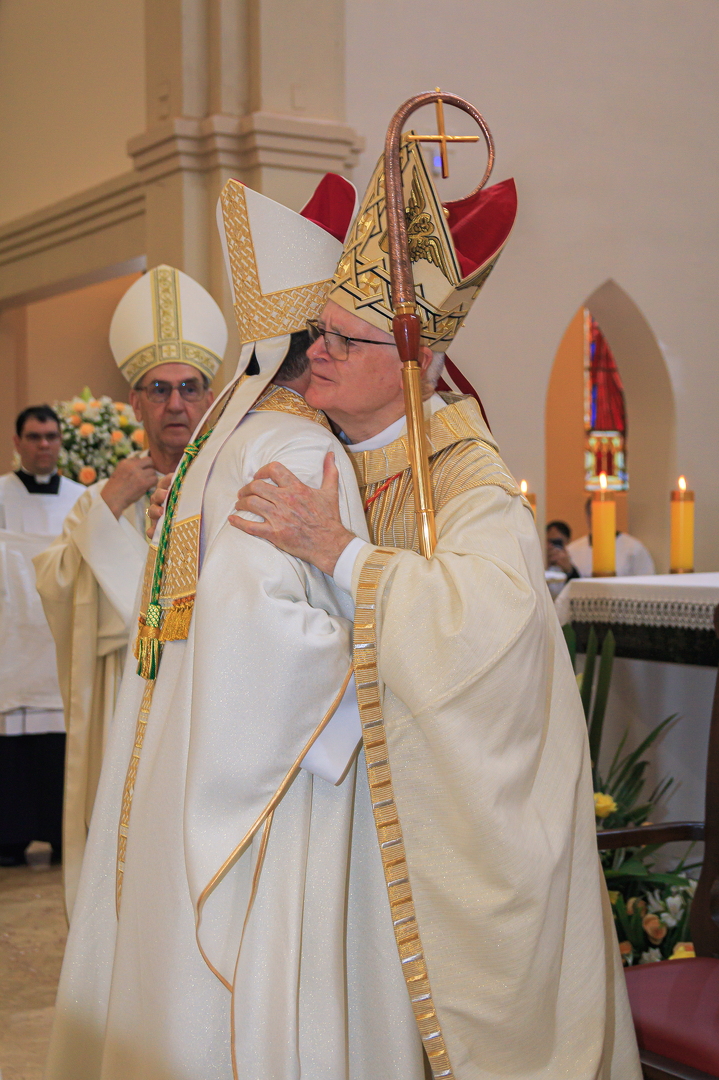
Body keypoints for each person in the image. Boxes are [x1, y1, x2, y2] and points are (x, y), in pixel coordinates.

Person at [230, 137, 641, 1078]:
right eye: (320, 332)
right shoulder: (330, 447)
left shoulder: (466, 475)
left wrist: (339, 552)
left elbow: (486, 628)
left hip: (463, 833)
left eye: (344, 340)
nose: (317, 352)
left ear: (413, 359)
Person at [46, 174, 427, 1080]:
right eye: (336, 335)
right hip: (278, 778)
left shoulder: (225, 444)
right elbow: (253, 622)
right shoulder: (295, 445)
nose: (336, 351)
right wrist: (390, 664)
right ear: (312, 347)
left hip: (194, 753)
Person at [34, 266, 225, 914]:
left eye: (189, 388)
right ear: (135, 403)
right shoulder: (104, 500)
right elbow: (57, 583)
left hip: (209, 700)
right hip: (127, 698)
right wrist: (109, 507)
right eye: (159, 390)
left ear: (209, 397)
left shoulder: (229, 483)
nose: (176, 404)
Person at [0, 406, 84, 865]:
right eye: (34, 437)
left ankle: (60, 834)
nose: (44, 445)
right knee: (12, 740)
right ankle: (8, 839)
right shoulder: (1, 495)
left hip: (62, 638)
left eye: (51, 436)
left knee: (60, 740)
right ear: (17, 442)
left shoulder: (82, 499)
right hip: (10, 639)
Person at [566, 496, 655, 576]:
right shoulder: (572, 550)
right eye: (593, 513)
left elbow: (647, 581)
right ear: (587, 516)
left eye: (603, 513)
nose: (599, 518)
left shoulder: (633, 548)